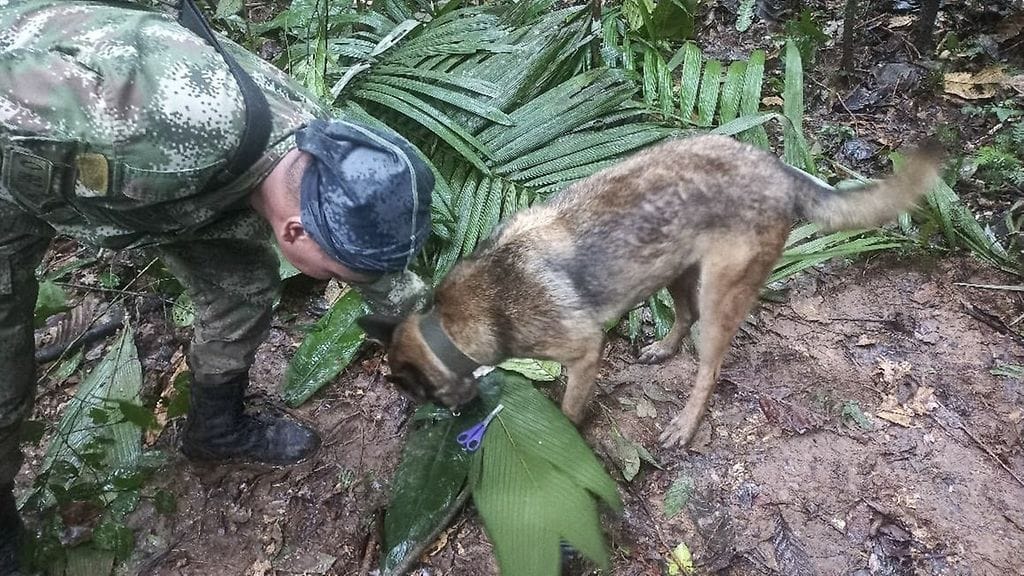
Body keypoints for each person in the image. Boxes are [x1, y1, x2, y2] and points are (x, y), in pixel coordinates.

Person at [0, 1, 434, 572]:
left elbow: (374, 269)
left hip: (170, 200)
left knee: (243, 291)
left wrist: (441, 343)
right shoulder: (167, 124)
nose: (339, 284)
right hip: (17, 177)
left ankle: (215, 428)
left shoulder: (318, 155)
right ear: (295, 230)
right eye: (333, 276)